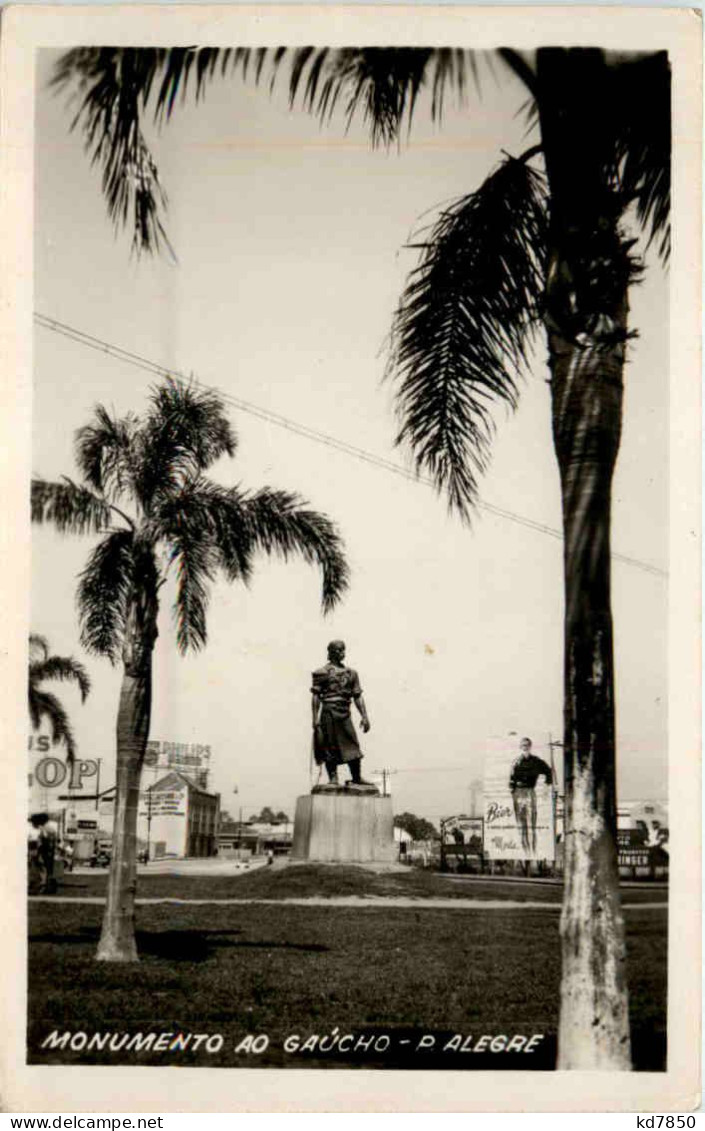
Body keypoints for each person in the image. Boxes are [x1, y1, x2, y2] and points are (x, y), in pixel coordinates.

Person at [311, 640, 372, 786]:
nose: (341, 652)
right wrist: (315, 718)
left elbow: (357, 695)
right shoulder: (322, 673)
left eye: (343, 650)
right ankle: (333, 778)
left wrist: (364, 716)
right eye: (338, 650)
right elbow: (316, 696)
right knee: (329, 745)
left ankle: (356, 777)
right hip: (329, 712)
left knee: (353, 745)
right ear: (330, 652)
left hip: (345, 713)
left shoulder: (352, 673)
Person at [509, 737, 553, 855]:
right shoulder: (516, 762)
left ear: (530, 746)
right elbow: (511, 782)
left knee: (531, 825)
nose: (525, 747)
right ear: (520, 747)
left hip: (530, 792)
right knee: (520, 826)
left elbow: (549, 771)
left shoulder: (536, 761)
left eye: (527, 745)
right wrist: (514, 794)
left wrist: (546, 787)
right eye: (523, 745)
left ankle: (533, 852)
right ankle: (526, 852)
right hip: (518, 794)